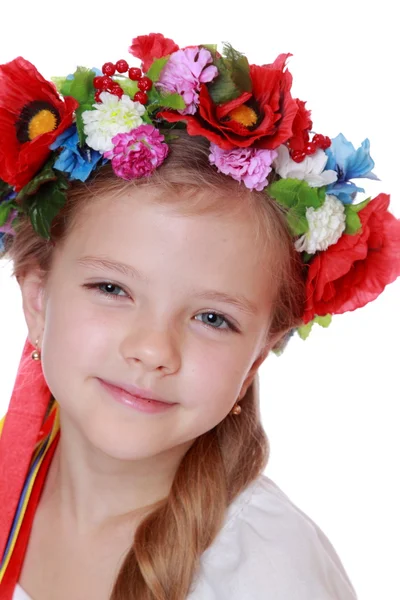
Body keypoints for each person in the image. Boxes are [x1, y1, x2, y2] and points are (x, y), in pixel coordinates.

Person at [0, 33, 399, 600]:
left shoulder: (268, 574)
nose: (154, 349)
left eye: (213, 318)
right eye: (112, 287)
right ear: (38, 300)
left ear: (258, 353)